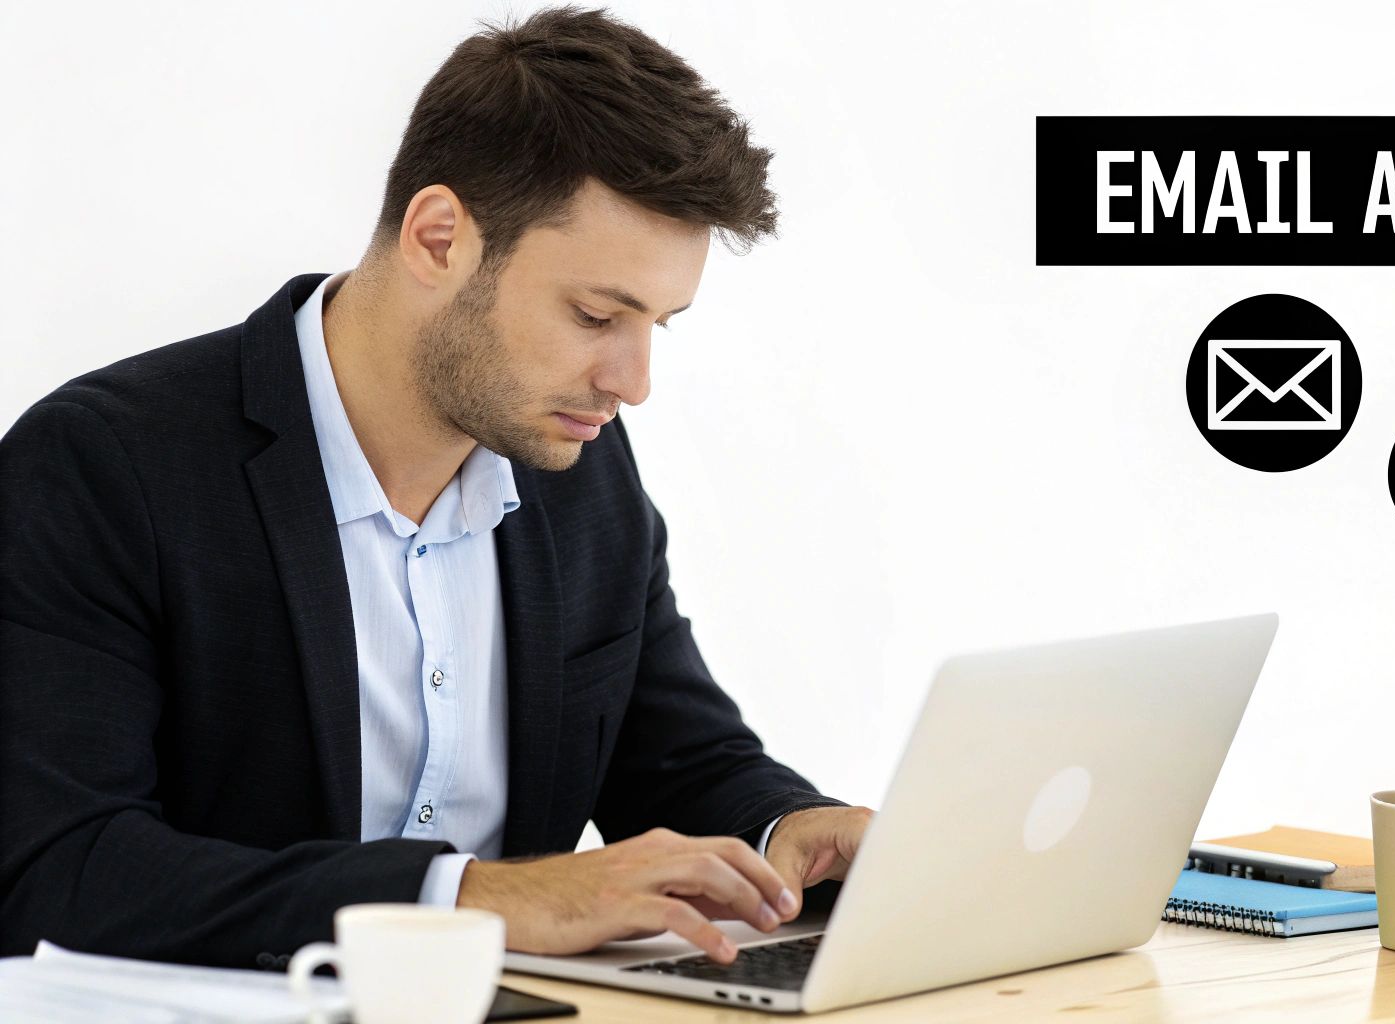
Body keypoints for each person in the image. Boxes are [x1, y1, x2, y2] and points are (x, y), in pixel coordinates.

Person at [0, 4, 872, 970]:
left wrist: (787, 829)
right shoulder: (101, 468)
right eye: (594, 314)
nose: (633, 382)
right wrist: (470, 901)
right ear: (438, 236)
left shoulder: (577, 467)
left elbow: (674, 756)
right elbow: (58, 871)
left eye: (657, 324)